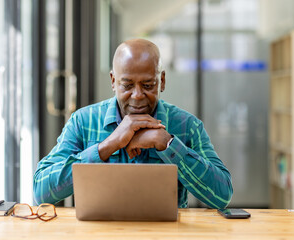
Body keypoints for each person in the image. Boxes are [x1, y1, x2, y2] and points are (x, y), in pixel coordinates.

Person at [33, 38, 233, 209]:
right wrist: (108, 145)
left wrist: (168, 144)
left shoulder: (186, 126)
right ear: (113, 81)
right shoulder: (83, 121)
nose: (137, 96)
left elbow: (222, 195)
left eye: (148, 85)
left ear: (162, 81)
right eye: (127, 85)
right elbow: (41, 192)